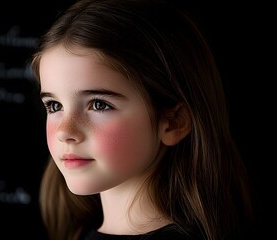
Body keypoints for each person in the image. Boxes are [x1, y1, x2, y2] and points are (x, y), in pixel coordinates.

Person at [30, 0, 255, 239]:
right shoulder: (77, 233)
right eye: (54, 106)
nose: (64, 131)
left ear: (172, 122)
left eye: (99, 104)